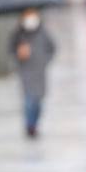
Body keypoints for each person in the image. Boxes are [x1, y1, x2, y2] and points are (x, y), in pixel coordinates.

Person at [9, 8, 55, 138]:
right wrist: (19, 55)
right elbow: (11, 50)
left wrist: (44, 61)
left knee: (38, 101)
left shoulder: (43, 32)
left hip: (39, 72)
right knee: (28, 100)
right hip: (26, 71)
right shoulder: (18, 34)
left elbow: (52, 48)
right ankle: (30, 126)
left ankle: (35, 124)